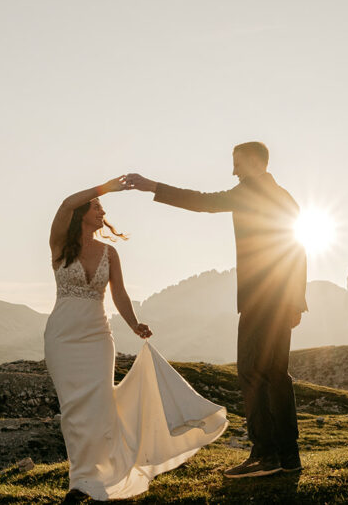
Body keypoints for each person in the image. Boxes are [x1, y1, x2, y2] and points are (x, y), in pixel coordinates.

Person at [125, 142, 307, 478]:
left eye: (237, 164)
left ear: (254, 163)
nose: (233, 170)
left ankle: (265, 456)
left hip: (263, 299)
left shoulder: (252, 192)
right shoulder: (282, 194)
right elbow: (298, 246)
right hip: (281, 299)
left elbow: (204, 202)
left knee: (253, 372)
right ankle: (287, 456)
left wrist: (152, 186)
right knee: (274, 375)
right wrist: (297, 300)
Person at [44, 176, 228, 500]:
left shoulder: (110, 253)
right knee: (73, 411)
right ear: (82, 213)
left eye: (103, 206)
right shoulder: (61, 244)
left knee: (100, 407)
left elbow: (120, 294)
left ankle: (88, 482)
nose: (103, 211)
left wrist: (134, 324)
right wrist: (106, 187)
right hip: (63, 337)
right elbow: (65, 204)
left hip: (97, 337)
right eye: (97, 206)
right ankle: (82, 480)